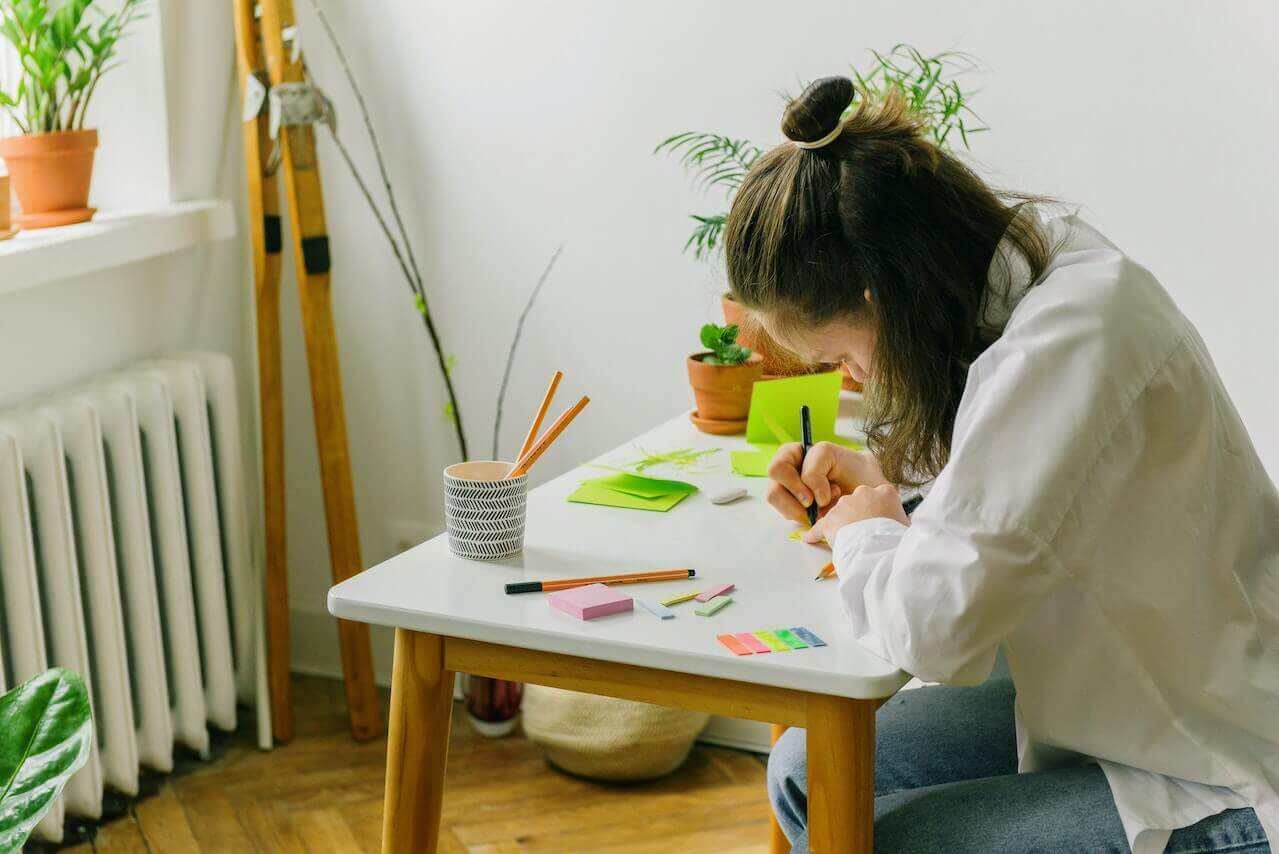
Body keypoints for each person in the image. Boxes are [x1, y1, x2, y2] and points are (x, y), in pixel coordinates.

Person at [723, 75, 1279, 853]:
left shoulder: (1069, 340)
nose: (849, 379)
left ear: (881, 298)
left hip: (1217, 755)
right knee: (805, 770)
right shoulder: (1035, 266)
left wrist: (864, 534)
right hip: (1124, 693)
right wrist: (884, 485)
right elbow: (1018, 484)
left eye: (840, 354)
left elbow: (935, 631)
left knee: (879, 832)